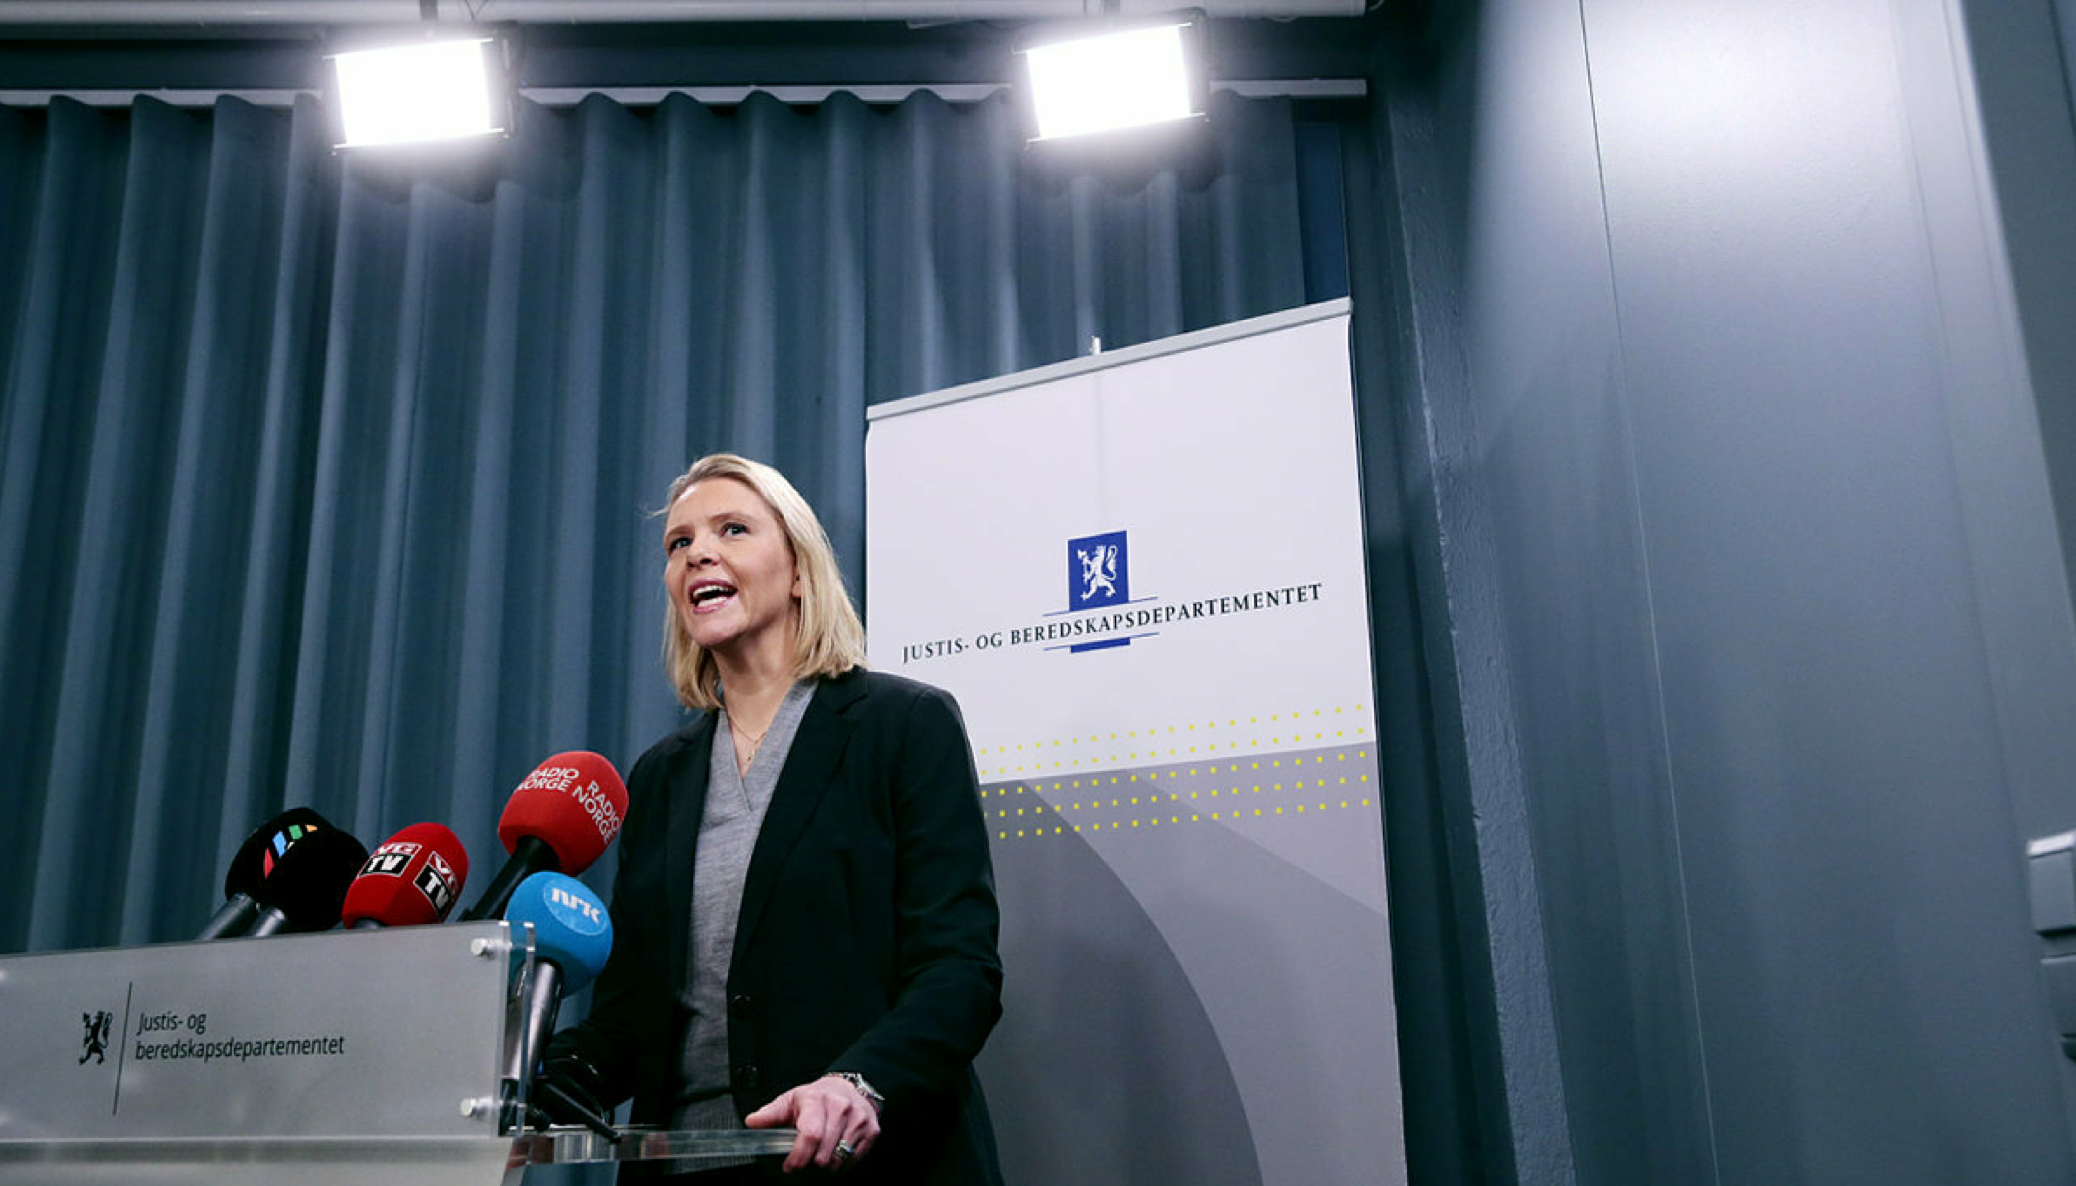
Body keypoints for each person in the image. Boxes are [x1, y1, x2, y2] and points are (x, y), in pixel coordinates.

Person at [543, 453, 1004, 1184]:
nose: (698, 553)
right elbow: (633, 1016)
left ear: (798, 571)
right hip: (686, 1167)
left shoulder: (905, 725)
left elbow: (959, 971)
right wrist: (540, 1075)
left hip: (862, 1166)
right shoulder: (659, 778)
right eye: (679, 543)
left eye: (732, 529)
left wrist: (858, 1084)